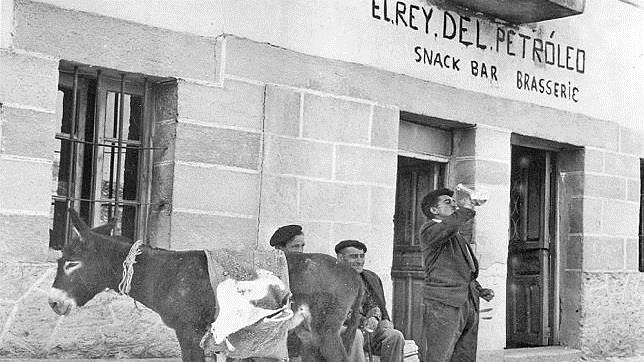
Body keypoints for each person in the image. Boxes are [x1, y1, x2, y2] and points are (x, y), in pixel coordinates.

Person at [419, 188, 495, 362]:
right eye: (447, 202)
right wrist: (467, 207)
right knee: (440, 356)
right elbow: (450, 225)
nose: (454, 204)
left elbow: (462, 268)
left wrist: (479, 289)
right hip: (444, 303)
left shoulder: (455, 234)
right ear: (434, 210)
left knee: (464, 356)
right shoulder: (429, 229)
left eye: (454, 201)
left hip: (467, 301)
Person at [335, 239, 405, 362]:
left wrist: (374, 317)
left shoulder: (368, 278)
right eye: (353, 257)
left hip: (367, 331)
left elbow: (374, 304)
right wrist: (363, 321)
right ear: (340, 258)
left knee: (395, 336)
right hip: (343, 331)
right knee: (355, 336)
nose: (359, 261)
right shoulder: (330, 280)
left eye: (362, 256)